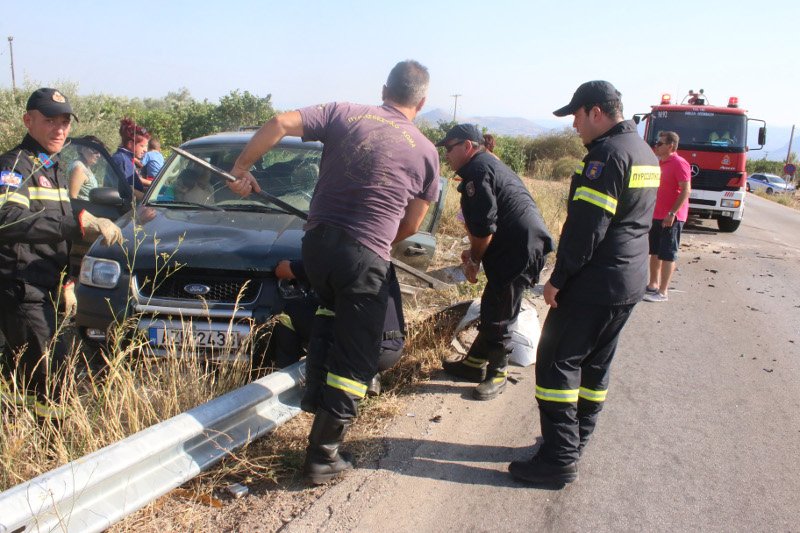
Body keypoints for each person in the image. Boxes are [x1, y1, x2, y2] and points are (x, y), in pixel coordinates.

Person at [229, 60, 439, 485]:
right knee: (357, 357)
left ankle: (314, 402)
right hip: (363, 256)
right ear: (423, 101)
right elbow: (413, 226)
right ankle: (323, 456)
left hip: (316, 246)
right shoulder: (426, 150)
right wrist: (374, 243)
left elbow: (278, 122)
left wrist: (241, 168)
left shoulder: (345, 112)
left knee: (329, 312)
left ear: (384, 89)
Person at [508, 81, 659, 486]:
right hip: (628, 282)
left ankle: (558, 460)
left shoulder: (606, 157)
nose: (573, 125)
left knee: (557, 364)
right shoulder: (643, 150)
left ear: (596, 111)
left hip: (595, 282)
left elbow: (587, 229)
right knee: (594, 367)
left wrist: (558, 279)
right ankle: (572, 445)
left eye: (575, 115)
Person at [0, 88, 123, 418]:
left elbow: (55, 235)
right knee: (49, 383)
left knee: (38, 377)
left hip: (47, 288)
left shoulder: (51, 167)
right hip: (22, 288)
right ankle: (49, 454)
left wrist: (68, 280)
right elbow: (7, 220)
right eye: (49, 120)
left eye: (65, 122)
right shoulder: (16, 166)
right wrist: (79, 222)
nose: (59, 129)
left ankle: (31, 440)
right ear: (28, 120)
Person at [438, 123, 553, 401]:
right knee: (494, 304)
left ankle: (497, 374)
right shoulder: (483, 165)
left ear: (467, 146)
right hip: (518, 245)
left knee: (499, 313)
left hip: (519, 249)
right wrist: (474, 251)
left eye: (449, 148)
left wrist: (474, 259)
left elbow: (485, 228)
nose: (447, 155)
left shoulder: (477, 171)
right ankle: (474, 364)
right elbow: (483, 226)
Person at [271, 259, 405, 396]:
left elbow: (281, 270)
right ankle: (369, 375)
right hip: (392, 349)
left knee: (288, 314)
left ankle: (286, 386)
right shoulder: (381, 258)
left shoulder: (333, 256)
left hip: (358, 353)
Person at [644, 131, 691, 302]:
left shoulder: (680, 163)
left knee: (667, 253)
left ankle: (663, 292)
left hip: (671, 217)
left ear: (670, 146)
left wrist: (672, 213)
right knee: (655, 252)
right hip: (657, 215)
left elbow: (686, 190)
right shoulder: (660, 163)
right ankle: (652, 285)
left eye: (660, 143)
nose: (656, 145)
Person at [111, 118, 150, 201]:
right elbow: (129, 190)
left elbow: (136, 186)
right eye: (142, 146)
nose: (145, 150)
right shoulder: (122, 160)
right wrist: (148, 201)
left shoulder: (126, 158)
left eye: (146, 146)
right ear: (130, 144)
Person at [68, 135, 105, 200]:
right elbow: (72, 198)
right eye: (95, 150)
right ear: (83, 149)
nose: (99, 155)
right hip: (82, 209)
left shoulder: (85, 167)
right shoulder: (79, 169)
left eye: (100, 152)